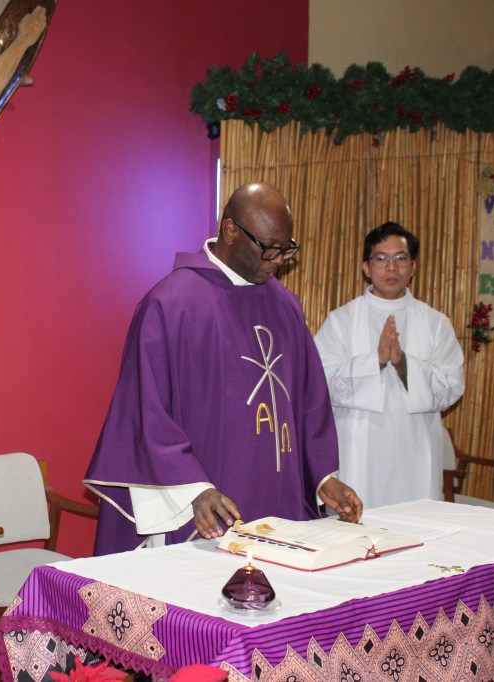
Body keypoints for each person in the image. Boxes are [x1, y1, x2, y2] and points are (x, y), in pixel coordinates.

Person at [84, 182, 362, 555]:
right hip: (205, 511)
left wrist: (323, 478)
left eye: (286, 248)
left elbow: (310, 401)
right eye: (268, 247)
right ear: (230, 231)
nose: (278, 260)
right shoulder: (171, 304)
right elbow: (144, 412)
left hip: (281, 505)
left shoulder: (286, 307)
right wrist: (194, 489)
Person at [314, 222, 465, 509]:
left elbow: (451, 388)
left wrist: (403, 363)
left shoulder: (435, 324)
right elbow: (320, 384)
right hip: (358, 452)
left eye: (401, 258)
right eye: (381, 258)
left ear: (413, 267)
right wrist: (376, 361)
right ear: (366, 267)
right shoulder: (341, 321)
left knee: (416, 524)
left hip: (417, 452)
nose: (391, 267)